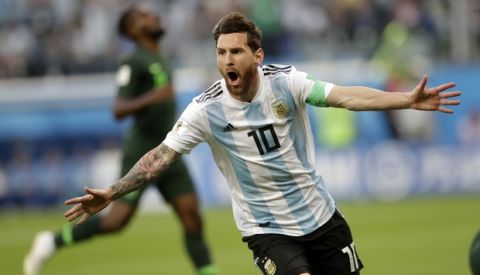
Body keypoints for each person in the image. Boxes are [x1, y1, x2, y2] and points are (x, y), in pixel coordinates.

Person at [62, 12, 461, 275]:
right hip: (265, 227)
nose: (227, 61)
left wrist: (405, 99)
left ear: (257, 55)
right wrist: (112, 193)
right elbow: (159, 157)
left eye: (236, 51)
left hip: (321, 216)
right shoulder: (206, 109)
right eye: (221, 53)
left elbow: (344, 96)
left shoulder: (286, 82)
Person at [23, 5, 217, 275]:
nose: (153, 16)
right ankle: (51, 241)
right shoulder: (133, 62)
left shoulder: (159, 55)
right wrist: (155, 96)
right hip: (141, 151)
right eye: (143, 17)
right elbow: (118, 108)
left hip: (170, 151)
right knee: (116, 222)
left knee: (192, 218)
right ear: (132, 30)